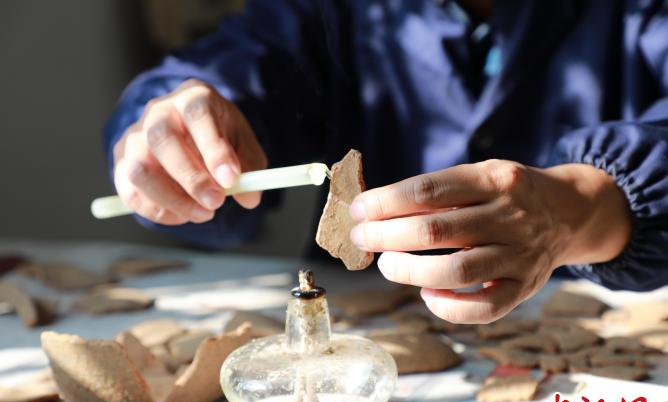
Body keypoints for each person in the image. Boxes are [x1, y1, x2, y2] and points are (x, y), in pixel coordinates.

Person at [104, 0, 668, 324]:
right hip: (368, 349)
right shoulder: (337, 12)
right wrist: (171, 136)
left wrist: (587, 208)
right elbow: (236, 64)